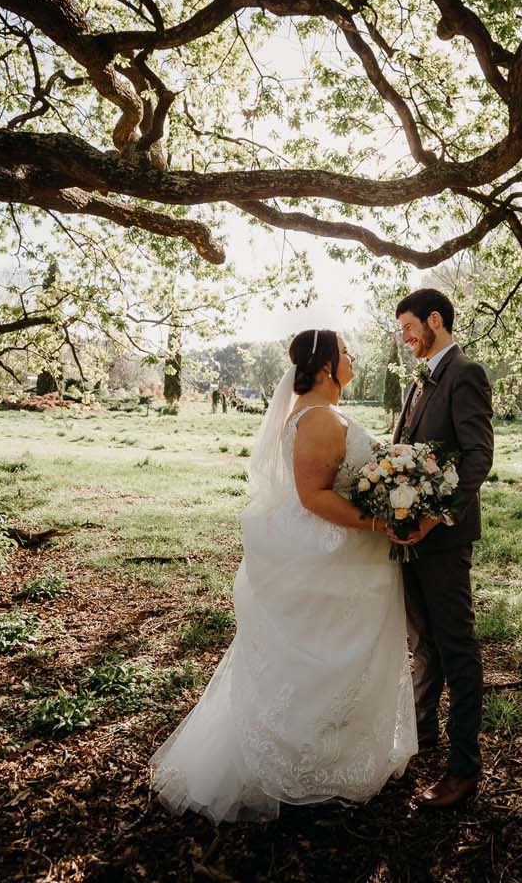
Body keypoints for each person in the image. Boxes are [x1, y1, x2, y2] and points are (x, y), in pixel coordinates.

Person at [150, 330, 416, 822]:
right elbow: (313, 496)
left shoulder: (321, 413)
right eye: (347, 351)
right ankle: (303, 762)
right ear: (328, 366)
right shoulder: (316, 418)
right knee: (321, 659)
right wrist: (383, 522)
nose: (354, 356)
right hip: (331, 558)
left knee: (338, 660)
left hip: (349, 556)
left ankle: (332, 751)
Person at [392, 288, 494, 809]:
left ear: (436, 319)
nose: (405, 337)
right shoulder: (418, 381)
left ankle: (463, 771)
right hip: (410, 540)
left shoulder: (465, 373)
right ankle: (422, 732)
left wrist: (431, 520)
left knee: (456, 649)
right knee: (421, 641)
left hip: (444, 538)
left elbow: (478, 458)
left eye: (409, 326)